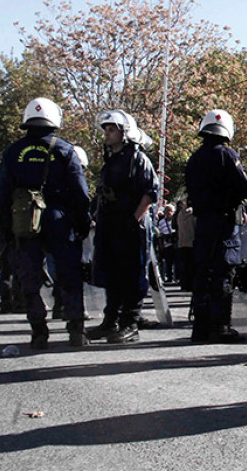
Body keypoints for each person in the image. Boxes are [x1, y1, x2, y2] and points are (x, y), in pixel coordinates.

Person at [0, 97, 92, 349]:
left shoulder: (13, 152)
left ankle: (38, 331)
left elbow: (2, 194)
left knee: (30, 277)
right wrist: (83, 223)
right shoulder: (65, 150)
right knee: (69, 275)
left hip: (25, 220)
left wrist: (5, 230)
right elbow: (80, 192)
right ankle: (75, 330)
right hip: (60, 219)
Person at [184, 108, 247, 343]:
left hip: (203, 221)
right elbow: (245, 187)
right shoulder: (227, 155)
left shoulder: (194, 158)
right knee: (224, 273)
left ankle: (201, 326)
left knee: (203, 273)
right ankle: (220, 326)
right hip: (224, 222)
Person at [85, 109, 158, 345]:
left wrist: (134, 220)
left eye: (111, 129)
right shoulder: (111, 161)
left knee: (132, 274)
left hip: (131, 227)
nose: (107, 134)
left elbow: (150, 192)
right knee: (112, 274)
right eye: (106, 129)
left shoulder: (137, 159)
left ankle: (130, 323)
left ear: (124, 132)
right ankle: (111, 321)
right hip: (110, 226)